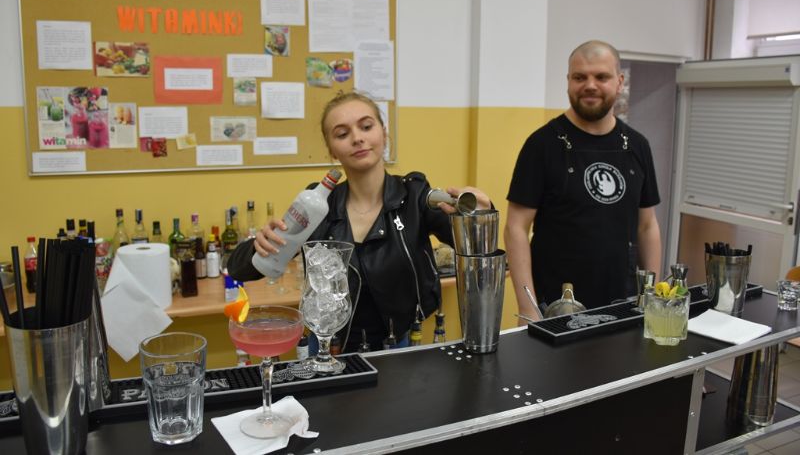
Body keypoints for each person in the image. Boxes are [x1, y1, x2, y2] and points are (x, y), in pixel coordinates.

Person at [227, 91, 491, 352]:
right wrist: (259, 246)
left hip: (400, 345)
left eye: (366, 126)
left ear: (384, 134)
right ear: (331, 150)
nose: (357, 138)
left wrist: (481, 216)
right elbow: (238, 269)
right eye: (342, 134)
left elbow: (478, 251)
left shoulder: (414, 196)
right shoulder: (318, 207)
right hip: (328, 348)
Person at [504, 40, 662, 321]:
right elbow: (516, 227)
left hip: (623, 303)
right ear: (568, 81)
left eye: (601, 77)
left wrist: (652, 296)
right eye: (580, 77)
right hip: (555, 307)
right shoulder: (541, 145)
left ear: (619, 82)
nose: (590, 85)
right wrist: (528, 308)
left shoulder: (638, 146)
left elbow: (647, 226)